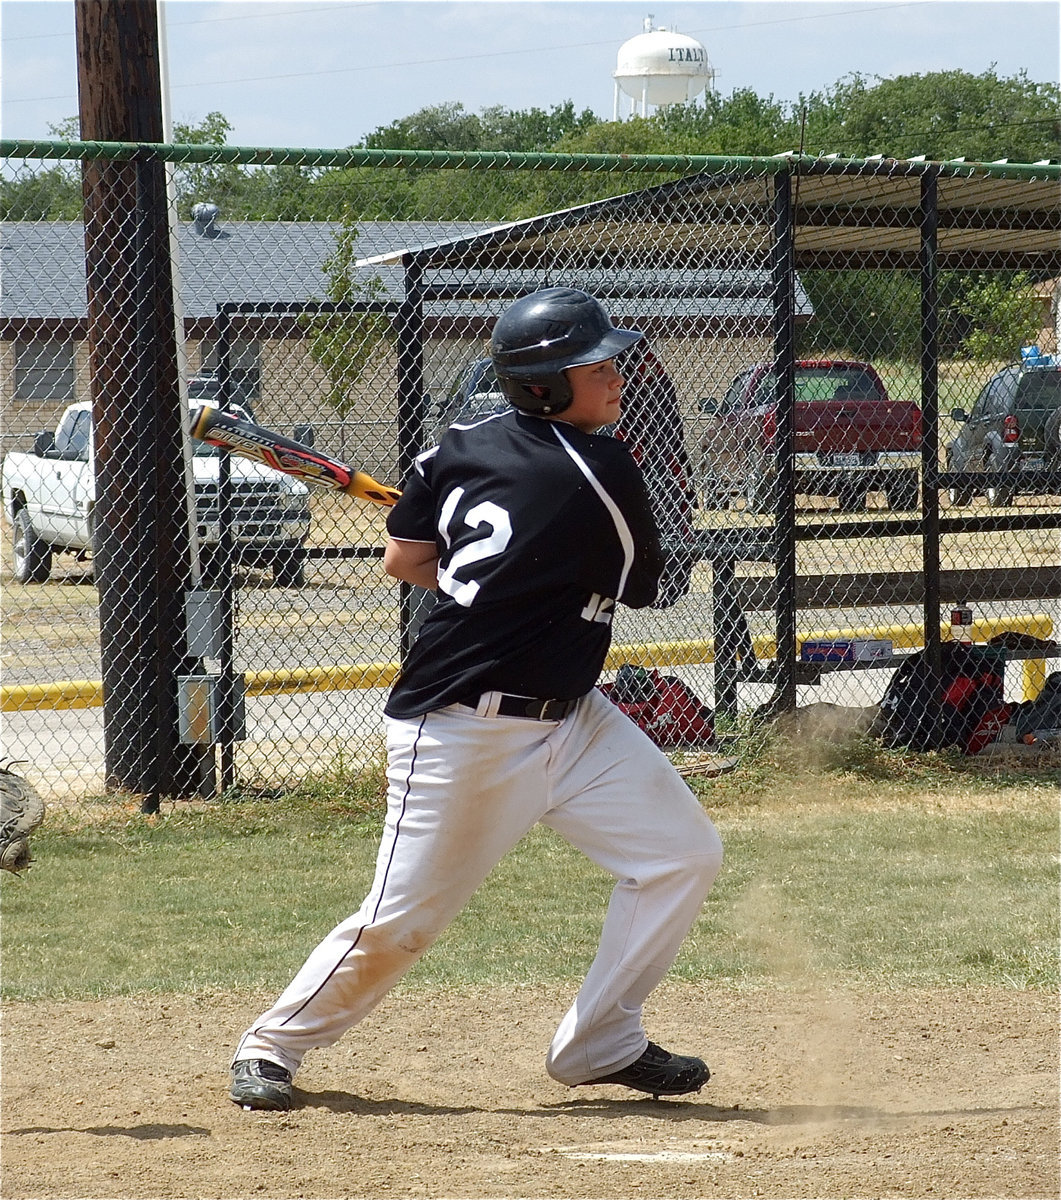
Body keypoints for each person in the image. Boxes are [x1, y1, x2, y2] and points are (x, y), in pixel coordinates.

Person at [229, 287, 724, 1112]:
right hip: (462, 729)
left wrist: (495, 573)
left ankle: (600, 1040)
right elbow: (649, 588)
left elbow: (406, 559)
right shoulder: (602, 468)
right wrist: (525, 568)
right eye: (593, 365)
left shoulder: (455, 447)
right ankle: (271, 1045)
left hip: (576, 719)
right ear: (543, 386)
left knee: (679, 854)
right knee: (402, 920)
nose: (614, 374)